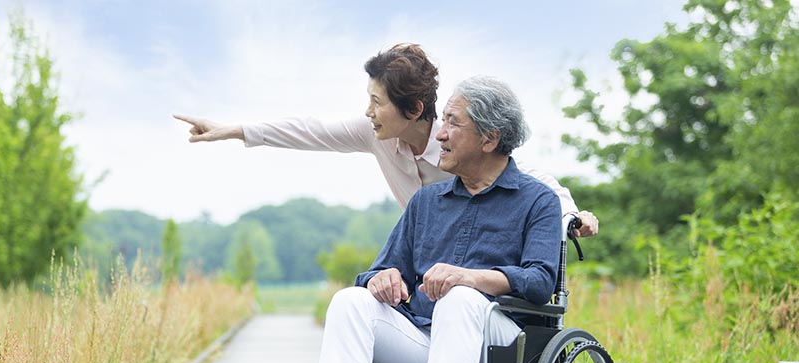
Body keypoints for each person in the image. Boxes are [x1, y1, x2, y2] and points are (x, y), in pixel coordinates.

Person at [274, 77, 561, 363]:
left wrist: (471, 279)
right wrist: (380, 278)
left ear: (489, 138)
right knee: (349, 301)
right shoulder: (426, 203)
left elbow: (541, 280)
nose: (439, 134)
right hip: (426, 344)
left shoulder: (537, 201)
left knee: (461, 299)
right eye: (442, 121)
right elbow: (377, 269)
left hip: (498, 349)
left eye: (452, 123)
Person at [174, 43, 598, 236]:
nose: (368, 112)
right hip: (427, 259)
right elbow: (310, 130)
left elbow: (527, 176)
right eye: (368, 100)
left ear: (414, 110)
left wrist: (572, 215)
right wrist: (230, 130)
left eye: (377, 103)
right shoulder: (375, 135)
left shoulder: (459, 143)